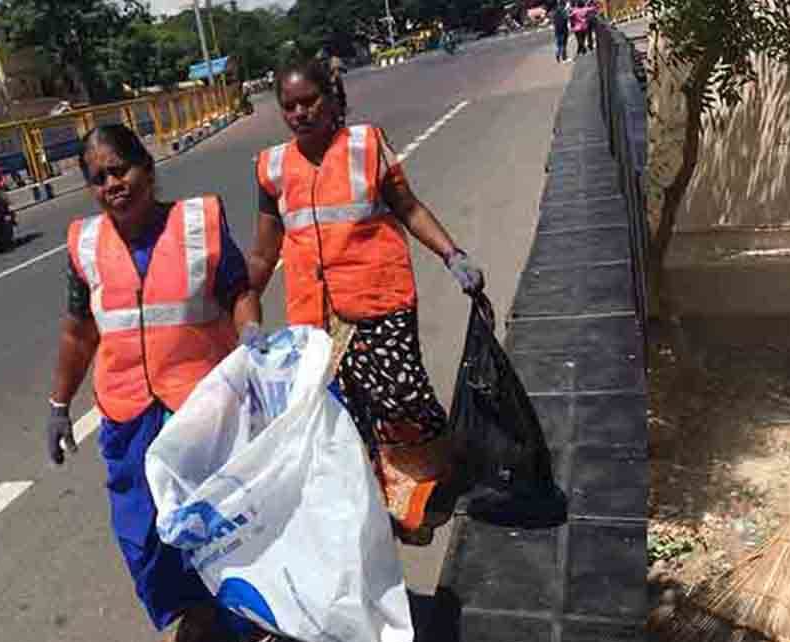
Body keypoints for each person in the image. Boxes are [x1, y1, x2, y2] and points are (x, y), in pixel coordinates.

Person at [248, 60, 485, 547]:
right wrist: (240, 300)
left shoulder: (365, 145)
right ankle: (389, 507)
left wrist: (452, 255)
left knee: (403, 394)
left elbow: (409, 207)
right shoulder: (272, 168)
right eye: (289, 105)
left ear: (331, 98)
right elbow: (264, 251)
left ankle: (441, 474)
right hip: (317, 318)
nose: (300, 112)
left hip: (380, 298)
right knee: (348, 418)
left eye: (309, 100)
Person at [44, 124, 266, 642]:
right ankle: (199, 614)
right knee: (144, 540)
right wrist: (60, 402)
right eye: (98, 178)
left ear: (147, 166)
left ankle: (244, 620)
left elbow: (238, 290)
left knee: (220, 530)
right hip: (128, 421)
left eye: (120, 168)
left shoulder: (199, 224)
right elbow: (79, 333)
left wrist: (252, 331)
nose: (112, 184)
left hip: (200, 414)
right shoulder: (86, 244)